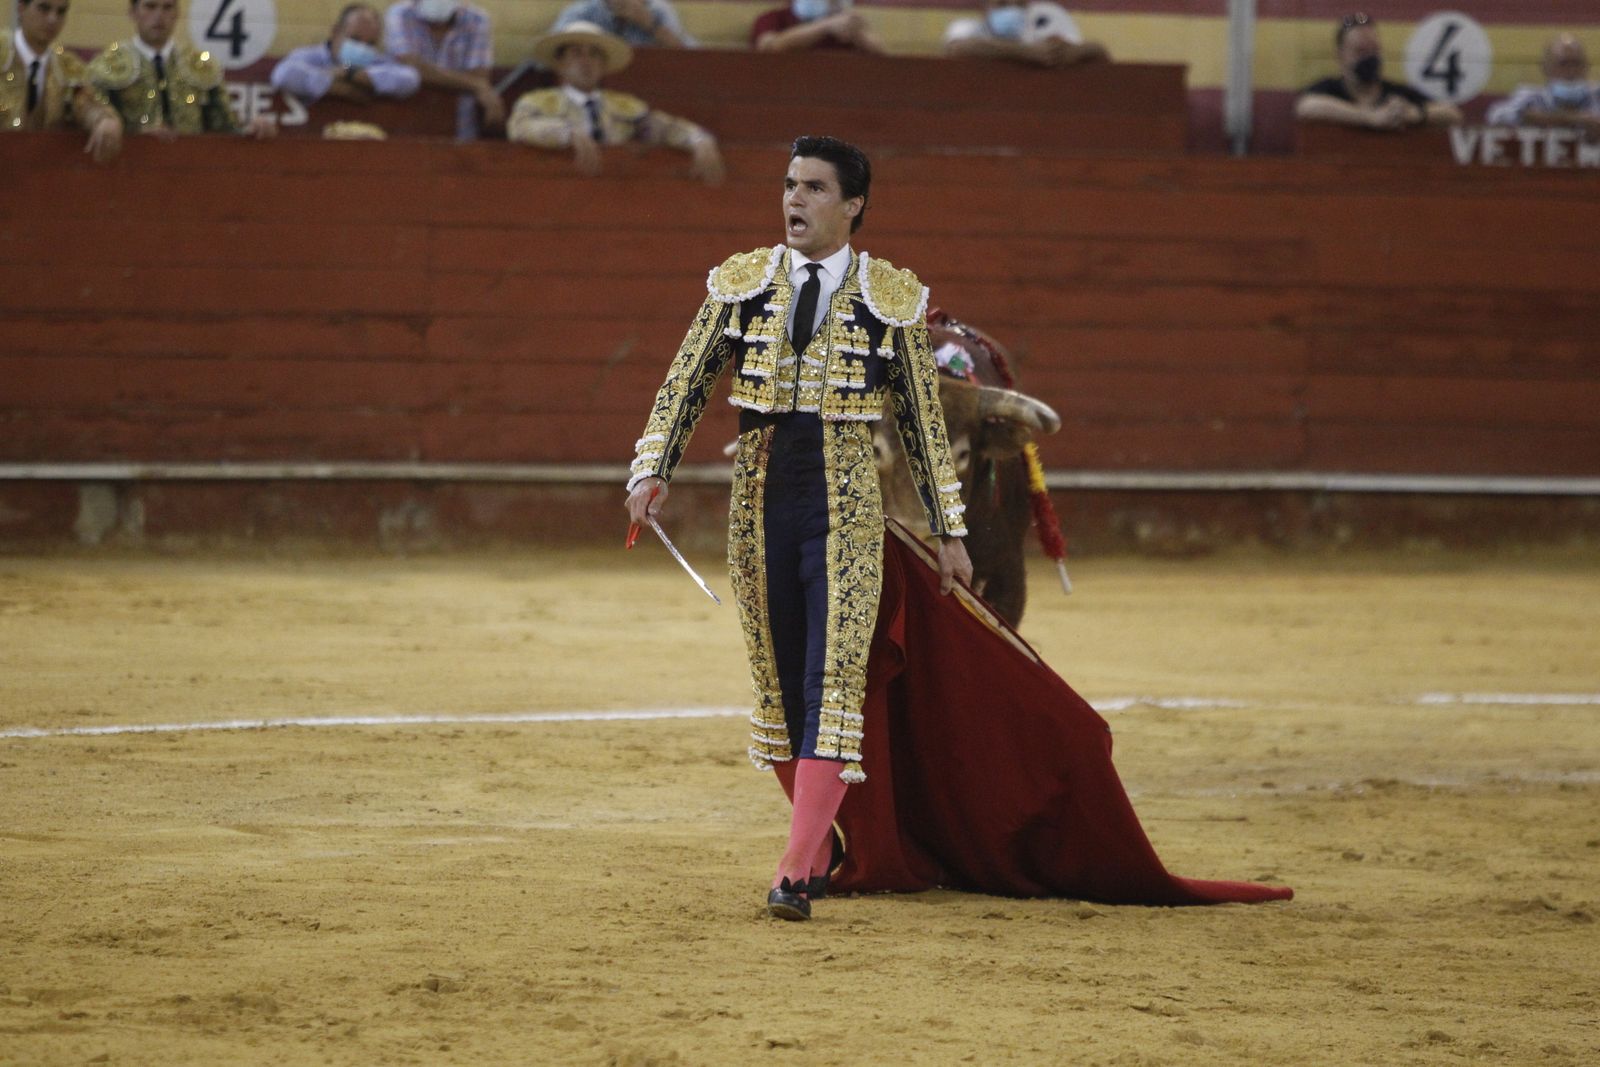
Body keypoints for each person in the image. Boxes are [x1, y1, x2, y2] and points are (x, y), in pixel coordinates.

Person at [624, 136, 972, 921]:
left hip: (845, 498)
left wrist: (951, 529)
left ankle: (791, 868)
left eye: (815, 188)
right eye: (789, 184)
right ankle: (816, 845)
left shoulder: (892, 296)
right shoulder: (741, 283)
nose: (795, 199)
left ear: (852, 205)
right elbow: (685, 380)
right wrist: (652, 469)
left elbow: (920, 419)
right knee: (778, 679)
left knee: (832, 677)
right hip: (759, 494)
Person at [508, 22, 721, 183]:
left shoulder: (625, 105)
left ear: (603, 65)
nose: (586, 61)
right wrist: (565, 133)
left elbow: (661, 127)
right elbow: (520, 126)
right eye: (576, 53)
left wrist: (698, 139)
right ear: (560, 64)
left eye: (594, 54)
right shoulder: (538, 101)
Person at [87, 0, 275, 138]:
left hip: (192, 169)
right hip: (129, 167)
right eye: (150, 6)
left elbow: (224, 125)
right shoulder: (106, 65)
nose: (159, 16)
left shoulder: (202, 65)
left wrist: (251, 128)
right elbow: (95, 124)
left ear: (177, 12)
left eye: (167, 7)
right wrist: (135, 135)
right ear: (133, 12)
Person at [1296, 12, 1460, 130]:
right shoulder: (1329, 89)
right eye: (1360, 51)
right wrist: (1370, 118)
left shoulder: (1397, 94)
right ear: (1341, 56)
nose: (1369, 57)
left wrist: (1411, 114)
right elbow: (1306, 107)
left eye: (1374, 50)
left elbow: (1452, 114)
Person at [1, 0, 122, 161]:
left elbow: (85, 103)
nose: (53, 19)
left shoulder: (69, 67)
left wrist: (104, 119)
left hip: (40, 170)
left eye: (61, 12)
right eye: (44, 8)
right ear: (21, 8)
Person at [382, 0, 504, 131]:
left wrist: (477, 84)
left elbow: (479, 75)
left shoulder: (477, 19)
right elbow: (411, 65)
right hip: (407, 121)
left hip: (461, 124)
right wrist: (477, 86)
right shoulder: (401, 13)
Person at [271, 3, 421, 105]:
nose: (362, 48)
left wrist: (349, 73)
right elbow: (283, 74)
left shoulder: (375, 60)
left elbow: (410, 79)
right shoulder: (310, 56)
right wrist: (336, 87)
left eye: (370, 44)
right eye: (355, 39)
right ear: (336, 32)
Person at [1486, 34, 1600, 137]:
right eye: (1563, 64)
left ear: (1586, 67)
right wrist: (1573, 120)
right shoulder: (1531, 97)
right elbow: (1496, 116)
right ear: (1546, 68)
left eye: (1577, 64)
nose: (1571, 71)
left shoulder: (1597, 95)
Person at [943, 0, 1109, 68]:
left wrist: (1060, 53)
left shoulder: (1046, 17)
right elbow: (958, 48)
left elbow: (1097, 51)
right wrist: (1028, 53)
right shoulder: (967, 27)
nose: (1011, 4)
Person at [751, 0, 885, 55]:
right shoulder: (772, 18)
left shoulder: (846, 26)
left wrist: (857, 31)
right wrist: (826, 26)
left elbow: (881, 53)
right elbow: (768, 47)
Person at [550, 0, 695, 49]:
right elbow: (546, 59)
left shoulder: (658, 10)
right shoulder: (582, 13)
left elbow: (694, 62)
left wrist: (651, 25)